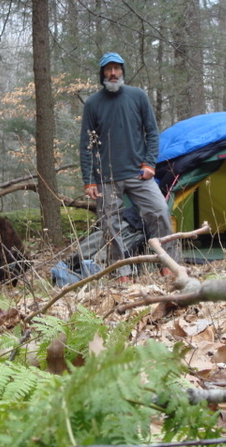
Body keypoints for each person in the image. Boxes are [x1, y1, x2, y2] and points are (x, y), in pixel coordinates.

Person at [79, 52, 179, 282]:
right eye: (108, 69)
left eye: (117, 68)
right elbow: (86, 144)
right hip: (106, 177)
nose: (113, 73)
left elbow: (152, 132)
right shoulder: (93, 103)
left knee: (160, 212)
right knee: (110, 226)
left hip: (138, 173)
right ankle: (122, 273)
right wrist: (89, 179)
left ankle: (166, 263)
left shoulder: (138, 96)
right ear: (102, 73)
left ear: (123, 70)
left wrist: (150, 164)